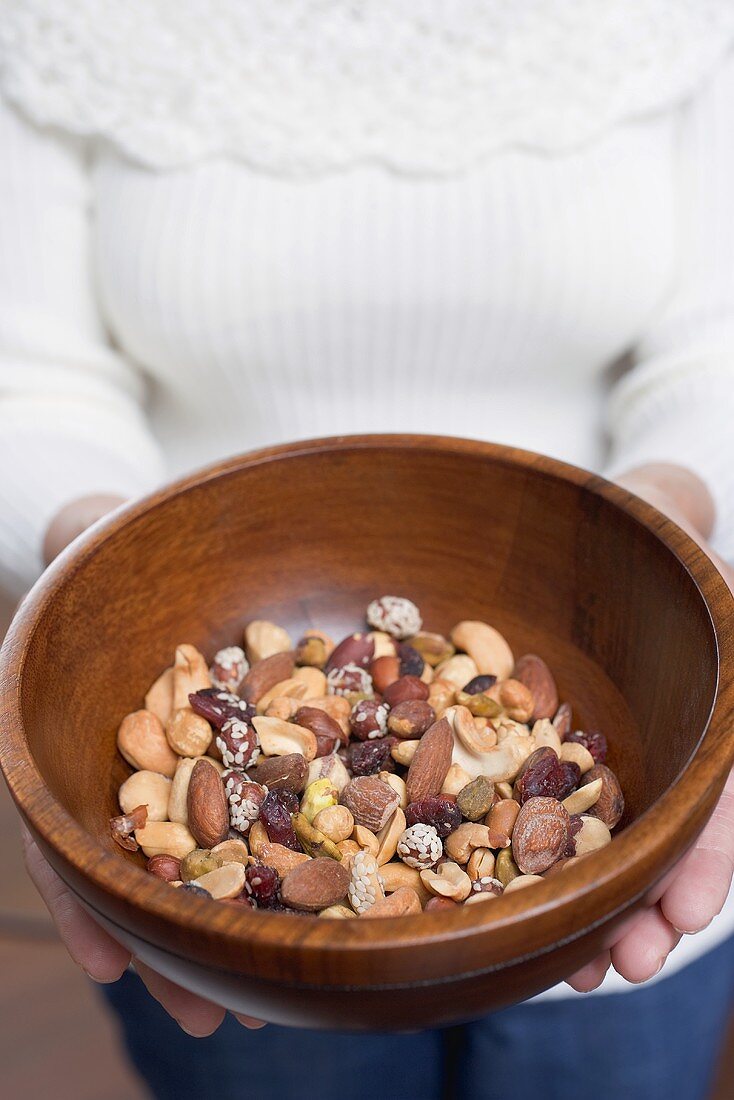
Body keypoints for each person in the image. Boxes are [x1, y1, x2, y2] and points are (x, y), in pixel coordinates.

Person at [2, 3, 734, 1097]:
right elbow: (28, 370)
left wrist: (664, 531)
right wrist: (92, 578)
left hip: (618, 745)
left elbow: (714, 340)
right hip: (248, 950)